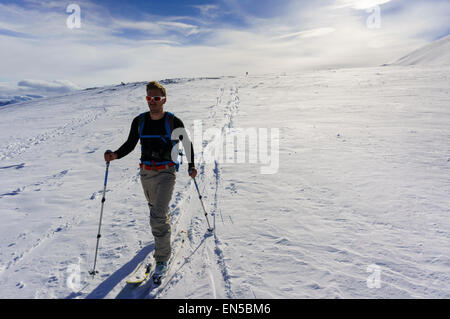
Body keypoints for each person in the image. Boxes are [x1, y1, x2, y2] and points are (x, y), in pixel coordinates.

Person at [104, 81, 197, 279]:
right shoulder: (139, 121)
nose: (152, 102)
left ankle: (162, 258)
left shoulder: (173, 121)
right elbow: (130, 143)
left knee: (156, 216)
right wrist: (115, 155)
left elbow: (187, 144)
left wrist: (191, 165)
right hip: (146, 173)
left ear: (164, 99)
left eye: (156, 98)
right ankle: (164, 231)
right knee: (156, 210)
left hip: (166, 173)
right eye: (149, 98)